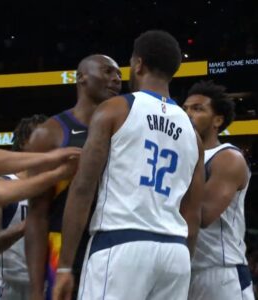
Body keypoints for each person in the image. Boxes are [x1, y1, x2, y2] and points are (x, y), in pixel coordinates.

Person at [52, 30, 204, 300]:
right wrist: (182, 266)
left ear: (138, 64)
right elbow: (192, 214)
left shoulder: (115, 109)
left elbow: (83, 188)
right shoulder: (193, 134)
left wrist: (64, 265)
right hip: (175, 252)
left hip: (122, 242)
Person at [25, 54, 122, 300]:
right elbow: (37, 215)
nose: (116, 79)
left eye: (119, 75)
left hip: (113, 244)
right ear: (81, 77)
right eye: (107, 71)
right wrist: (36, 290)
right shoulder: (49, 133)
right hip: (63, 247)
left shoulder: (125, 130)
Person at [182, 80, 255, 300]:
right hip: (183, 266)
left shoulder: (227, 157)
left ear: (218, 120)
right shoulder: (181, 158)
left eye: (197, 109)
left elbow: (203, 215)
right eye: (185, 108)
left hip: (219, 271)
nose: (187, 114)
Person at [0, 115, 48, 300]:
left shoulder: (58, 190)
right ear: (23, 142)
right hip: (4, 290)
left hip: (44, 290)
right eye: (44, 136)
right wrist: (25, 226)